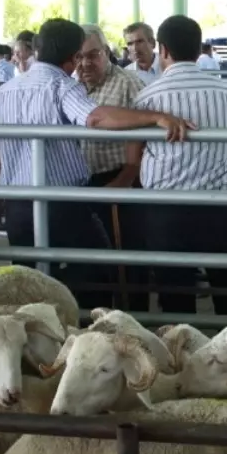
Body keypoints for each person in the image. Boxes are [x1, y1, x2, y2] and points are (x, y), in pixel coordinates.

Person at [0, 18, 189, 310]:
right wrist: (154, 118)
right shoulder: (62, 87)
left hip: (18, 207)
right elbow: (95, 118)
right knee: (96, 270)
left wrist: (19, 172)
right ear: (73, 57)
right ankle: (86, 338)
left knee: (29, 281)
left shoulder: (1, 93)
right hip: (64, 205)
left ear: (36, 48)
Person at [127, 15, 227, 316]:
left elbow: (136, 152)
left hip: (167, 213)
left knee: (176, 297)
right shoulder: (226, 93)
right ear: (197, 49)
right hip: (220, 209)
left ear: (163, 49)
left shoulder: (148, 98)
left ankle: (181, 359)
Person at [78, 24, 148, 310]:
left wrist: (127, 175)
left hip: (120, 180)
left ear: (106, 53)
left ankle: (134, 320)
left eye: (93, 55)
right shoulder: (69, 86)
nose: (85, 63)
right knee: (91, 259)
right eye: (79, 56)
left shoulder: (129, 83)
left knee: (128, 258)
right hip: (82, 184)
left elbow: (144, 130)